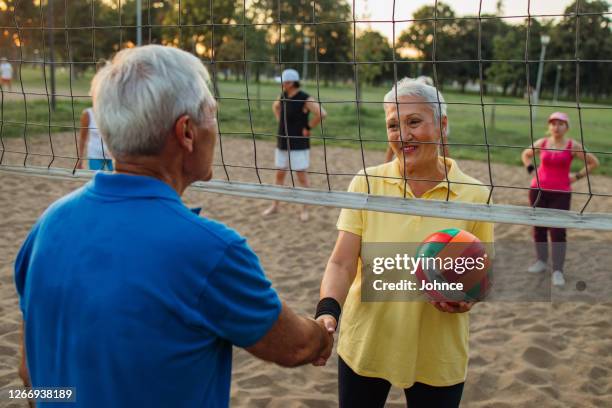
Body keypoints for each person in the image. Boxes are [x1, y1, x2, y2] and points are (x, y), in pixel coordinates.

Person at [15, 45, 333, 408]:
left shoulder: (47, 225)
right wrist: (323, 333)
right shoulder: (210, 250)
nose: (217, 127)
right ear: (186, 132)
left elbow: (28, 375)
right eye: (212, 114)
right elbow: (296, 347)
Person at [315, 77, 494, 408]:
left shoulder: (475, 194)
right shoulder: (367, 182)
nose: (403, 134)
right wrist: (327, 313)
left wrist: (469, 298)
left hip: (438, 352)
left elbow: (480, 270)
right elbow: (341, 262)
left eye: (414, 122)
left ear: (441, 125)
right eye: (393, 124)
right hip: (366, 342)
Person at [521, 112, 599, 287]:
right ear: (549, 126)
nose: (556, 127)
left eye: (561, 123)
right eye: (553, 123)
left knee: (558, 231)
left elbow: (594, 162)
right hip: (538, 190)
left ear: (567, 127)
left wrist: (576, 177)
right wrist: (531, 170)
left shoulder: (572, 145)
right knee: (539, 227)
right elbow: (525, 155)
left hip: (561, 192)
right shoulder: (542, 143)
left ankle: (557, 270)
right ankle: (541, 261)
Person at [262, 68, 327, 221]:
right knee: (279, 174)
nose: (282, 85)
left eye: (284, 82)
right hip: (283, 141)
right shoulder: (283, 96)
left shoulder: (304, 98)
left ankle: (304, 209)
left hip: (298, 142)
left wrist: (309, 127)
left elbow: (322, 113)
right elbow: (276, 107)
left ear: (291, 83)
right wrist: (281, 121)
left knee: (301, 177)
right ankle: (275, 205)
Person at [384, 75, 449, 162]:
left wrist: (447, 163)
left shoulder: (435, 109)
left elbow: (444, 144)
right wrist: (386, 165)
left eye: (414, 122)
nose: (403, 137)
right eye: (392, 125)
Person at [77, 106, 114, 170]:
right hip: (95, 155)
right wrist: (80, 158)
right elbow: (82, 138)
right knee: (96, 178)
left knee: (115, 179)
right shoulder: (87, 114)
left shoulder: (117, 112)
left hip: (114, 155)